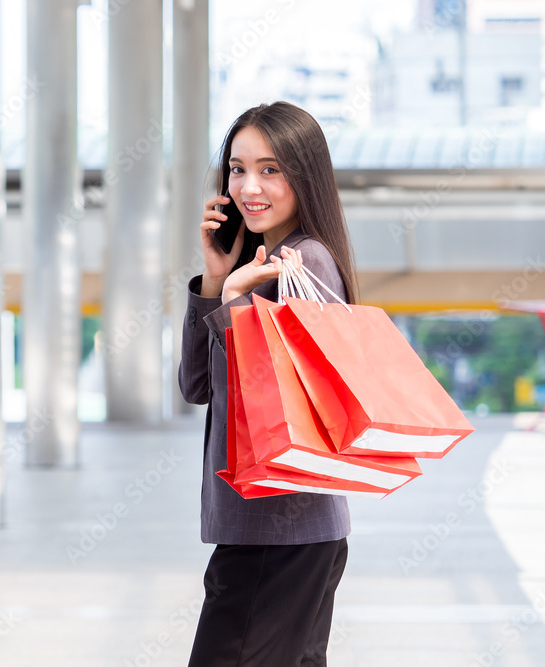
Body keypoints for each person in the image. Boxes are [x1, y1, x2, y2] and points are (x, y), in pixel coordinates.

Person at [178, 101, 359, 666]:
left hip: (278, 531)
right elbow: (198, 386)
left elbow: (278, 399)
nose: (249, 186)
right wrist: (214, 282)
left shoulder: (303, 265)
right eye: (237, 168)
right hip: (278, 529)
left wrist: (235, 302)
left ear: (304, 174)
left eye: (271, 169)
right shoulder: (260, 262)